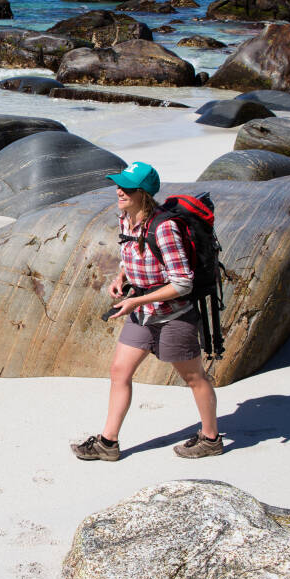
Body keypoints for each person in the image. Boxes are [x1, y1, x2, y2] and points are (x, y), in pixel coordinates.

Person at [71, 161, 222, 461]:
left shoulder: (165, 228)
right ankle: (108, 442)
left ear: (144, 194)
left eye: (127, 188)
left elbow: (182, 283)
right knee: (119, 371)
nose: (119, 191)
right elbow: (132, 255)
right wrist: (121, 278)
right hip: (142, 313)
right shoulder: (125, 219)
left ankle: (211, 438)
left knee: (194, 377)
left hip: (173, 316)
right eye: (119, 185)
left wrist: (136, 301)